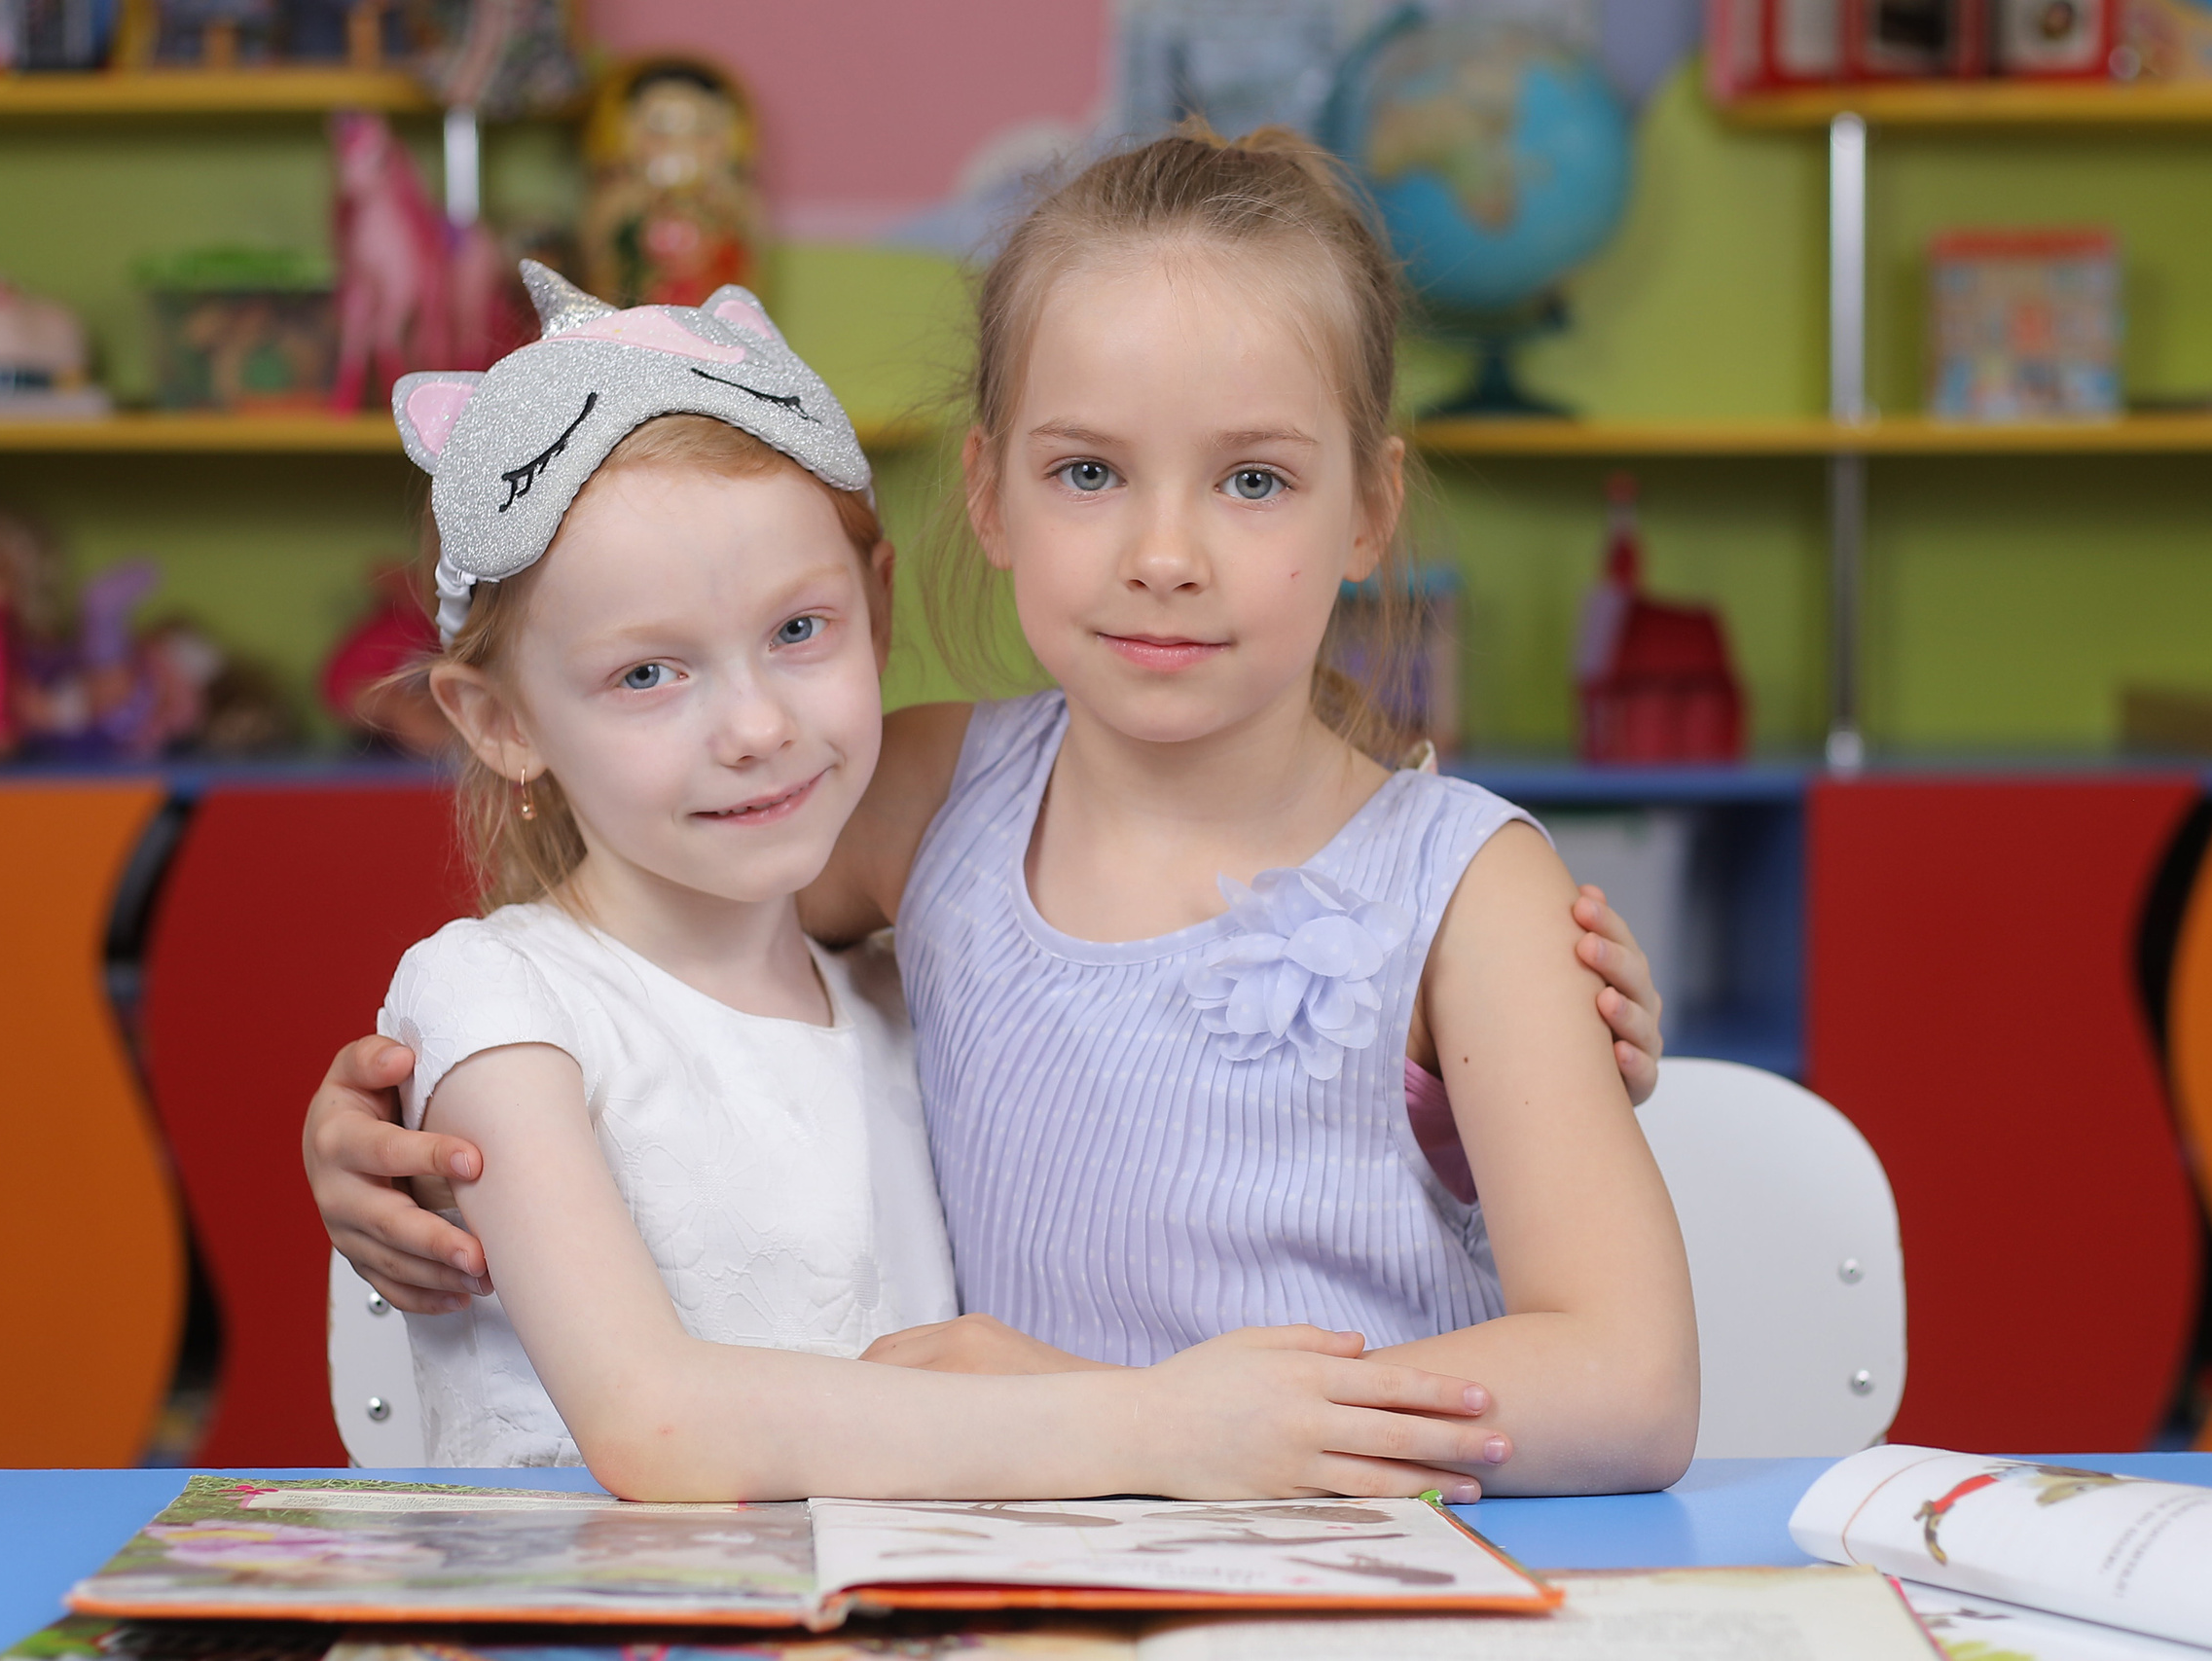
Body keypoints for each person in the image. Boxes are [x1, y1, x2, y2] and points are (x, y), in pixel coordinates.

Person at [315, 126, 1696, 1499]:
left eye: (1254, 479)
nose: (1165, 556)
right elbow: (641, 974)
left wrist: (1143, 1417)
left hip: (1354, 1601)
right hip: (1006, 1595)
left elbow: (1631, 1388)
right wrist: (393, 1111)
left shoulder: (1466, 890)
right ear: (987, 494)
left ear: (1368, 510)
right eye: (1088, 473)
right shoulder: (921, 797)